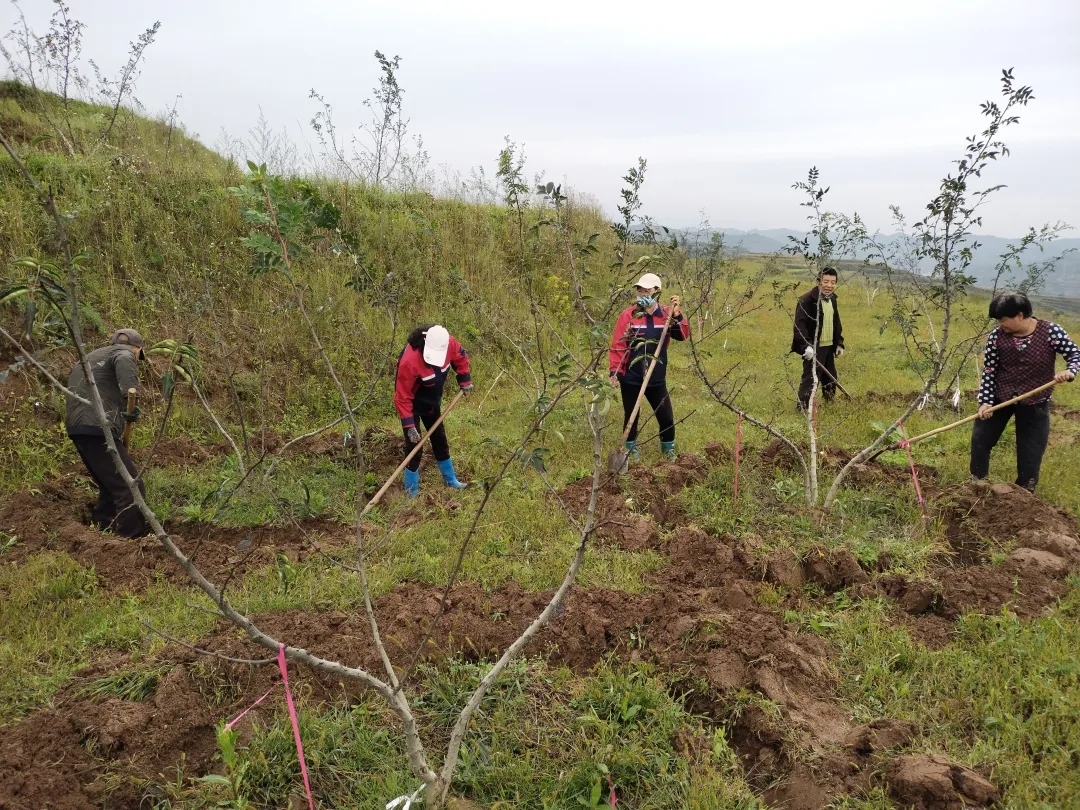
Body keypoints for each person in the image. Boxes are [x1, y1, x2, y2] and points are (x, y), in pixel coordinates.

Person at [971, 292, 1079, 491]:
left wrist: (1070, 372)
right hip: (1000, 397)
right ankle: (977, 484)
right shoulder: (997, 336)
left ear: (1020, 316)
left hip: (1035, 401)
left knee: (1031, 452)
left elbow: (1074, 354)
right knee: (980, 439)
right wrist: (986, 401)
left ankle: (1023, 495)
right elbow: (989, 370)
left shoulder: (1050, 332)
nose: (1000, 324)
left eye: (1003, 319)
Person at [65, 328, 150, 539]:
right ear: (137, 349)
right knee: (131, 486)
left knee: (110, 485)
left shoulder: (90, 358)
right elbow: (127, 379)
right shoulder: (124, 354)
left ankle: (101, 533)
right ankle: (133, 538)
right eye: (138, 355)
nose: (136, 358)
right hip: (98, 427)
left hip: (78, 428)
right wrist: (131, 403)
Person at [608, 272, 690, 461]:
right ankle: (630, 451)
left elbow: (683, 336)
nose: (643, 293)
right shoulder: (629, 315)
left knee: (666, 416)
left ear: (656, 292)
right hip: (631, 376)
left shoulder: (667, 313)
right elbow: (618, 346)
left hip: (656, 377)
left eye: (647, 290)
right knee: (631, 416)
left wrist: (678, 316)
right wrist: (615, 372)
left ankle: (668, 451)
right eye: (639, 289)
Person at [394, 324, 473, 497]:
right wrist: (409, 425)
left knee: (439, 438)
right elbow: (402, 396)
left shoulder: (448, 343)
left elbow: (461, 358)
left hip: (431, 400)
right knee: (414, 446)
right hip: (412, 404)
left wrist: (464, 379)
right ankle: (411, 491)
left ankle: (451, 480)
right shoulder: (409, 361)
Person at [791, 267, 845, 410]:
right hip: (814, 348)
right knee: (810, 379)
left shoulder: (833, 299)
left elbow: (836, 322)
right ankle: (802, 409)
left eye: (832, 282)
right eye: (825, 281)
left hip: (829, 347)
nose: (829, 285)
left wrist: (839, 343)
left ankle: (829, 404)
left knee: (830, 378)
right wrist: (806, 347)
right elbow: (799, 327)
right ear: (818, 282)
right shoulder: (806, 300)